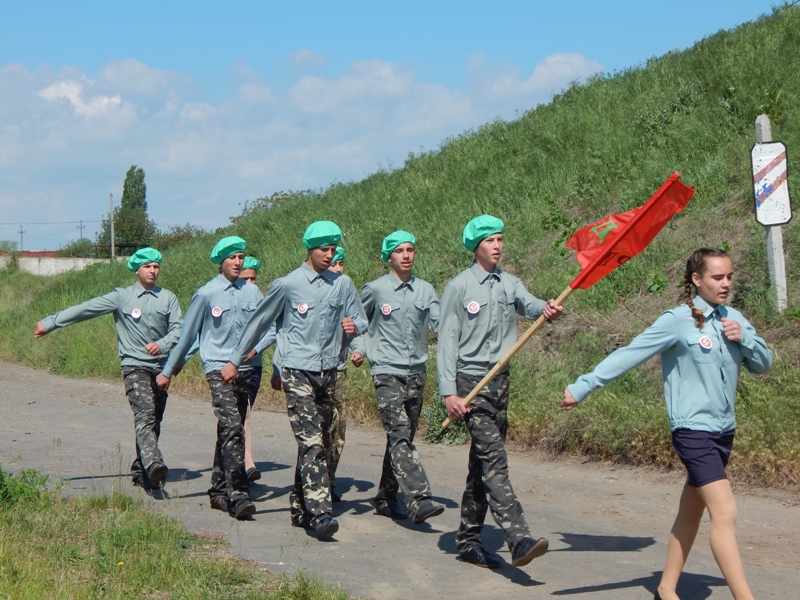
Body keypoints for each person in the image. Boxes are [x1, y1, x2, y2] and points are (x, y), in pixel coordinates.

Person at [561, 248, 772, 600]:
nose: (726, 284)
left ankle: (667, 587)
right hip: (692, 431)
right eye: (717, 277)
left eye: (729, 277)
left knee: (692, 510)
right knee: (726, 511)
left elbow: (763, 364)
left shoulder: (733, 318)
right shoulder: (676, 320)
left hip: (724, 430)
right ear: (696, 279)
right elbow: (631, 353)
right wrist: (583, 386)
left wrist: (745, 338)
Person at [221, 221, 368, 540]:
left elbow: (360, 319)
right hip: (297, 372)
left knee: (326, 442)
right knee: (311, 440)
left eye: (333, 249)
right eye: (323, 249)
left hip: (329, 373)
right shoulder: (287, 285)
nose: (329, 255)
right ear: (309, 249)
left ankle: (300, 506)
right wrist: (235, 359)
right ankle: (319, 513)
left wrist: (354, 330)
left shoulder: (343, 285)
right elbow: (258, 323)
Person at [438, 215, 563, 570]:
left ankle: (467, 541)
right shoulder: (458, 287)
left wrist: (547, 309)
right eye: (491, 240)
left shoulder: (510, 283)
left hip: (500, 382)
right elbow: (446, 343)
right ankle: (518, 537)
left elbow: (531, 304)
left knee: (481, 464)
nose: (498, 245)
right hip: (470, 385)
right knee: (494, 460)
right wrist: (449, 393)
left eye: (501, 239)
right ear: (476, 246)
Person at [34, 247, 182, 490]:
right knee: (144, 414)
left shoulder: (168, 298)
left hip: (161, 367)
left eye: (156, 266)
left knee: (154, 418)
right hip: (134, 365)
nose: (153, 271)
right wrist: (51, 322)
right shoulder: (122, 296)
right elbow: (86, 309)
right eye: (147, 266)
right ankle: (154, 463)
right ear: (137, 270)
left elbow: (179, 328)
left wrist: (163, 344)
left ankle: (141, 468)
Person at [156, 236, 262, 520]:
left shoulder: (252, 293)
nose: (238, 263)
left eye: (241, 257)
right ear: (221, 262)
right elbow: (188, 334)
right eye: (232, 258)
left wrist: (257, 349)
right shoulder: (206, 294)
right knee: (232, 425)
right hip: (217, 367)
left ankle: (217, 490)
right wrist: (169, 369)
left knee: (230, 429)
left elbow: (269, 327)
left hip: (245, 369)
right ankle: (238, 494)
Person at [350, 230, 444, 524]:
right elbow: (357, 323)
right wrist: (359, 349)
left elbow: (442, 325)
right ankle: (418, 498)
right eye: (399, 250)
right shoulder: (375, 290)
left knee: (401, 438)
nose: (406, 255)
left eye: (410, 250)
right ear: (388, 256)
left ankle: (385, 496)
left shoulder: (426, 291)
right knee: (400, 434)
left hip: (416, 373)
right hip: (386, 373)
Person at [239, 256, 265, 482]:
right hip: (228, 368)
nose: (250, 283)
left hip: (254, 366)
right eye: (245, 278)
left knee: (241, 415)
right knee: (243, 413)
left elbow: (273, 330)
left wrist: (255, 350)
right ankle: (248, 462)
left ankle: (231, 459)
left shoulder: (260, 300)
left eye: (253, 278)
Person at [327, 245, 348, 502]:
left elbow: (358, 324)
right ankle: (315, 484)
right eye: (334, 264)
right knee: (321, 430)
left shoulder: (346, 292)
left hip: (339, 371)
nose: (339, 269)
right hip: (314, 371)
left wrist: (357, 349)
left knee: (339, 431)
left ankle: (329, 480)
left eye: (342, 263)